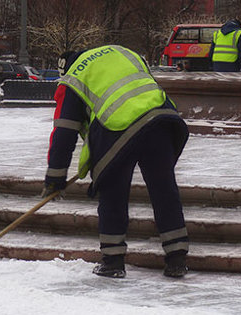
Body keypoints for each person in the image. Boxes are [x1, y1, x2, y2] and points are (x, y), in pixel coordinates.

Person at [45, 45, 190, 279]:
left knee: (112, 192)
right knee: (164, 189)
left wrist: (55, 177)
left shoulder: (73, 77)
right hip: (160, 120)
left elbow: (65, 131)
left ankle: (113, 262)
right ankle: (176, 259)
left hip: (118, 128)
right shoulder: (124, 52)